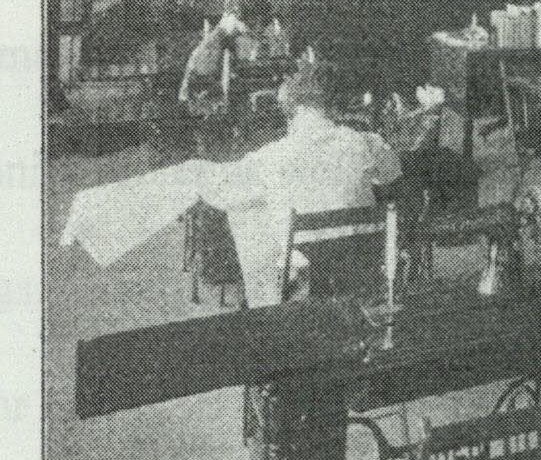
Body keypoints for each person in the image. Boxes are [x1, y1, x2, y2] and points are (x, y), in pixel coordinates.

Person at [61, 60, 402, 307]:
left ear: (294, 112)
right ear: (332, 107)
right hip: (361, 267)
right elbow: (391, 174)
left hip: (304, 273)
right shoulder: (364, 143)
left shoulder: (273, 157)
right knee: (266, 210)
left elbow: (218, 188)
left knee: (251, 216)